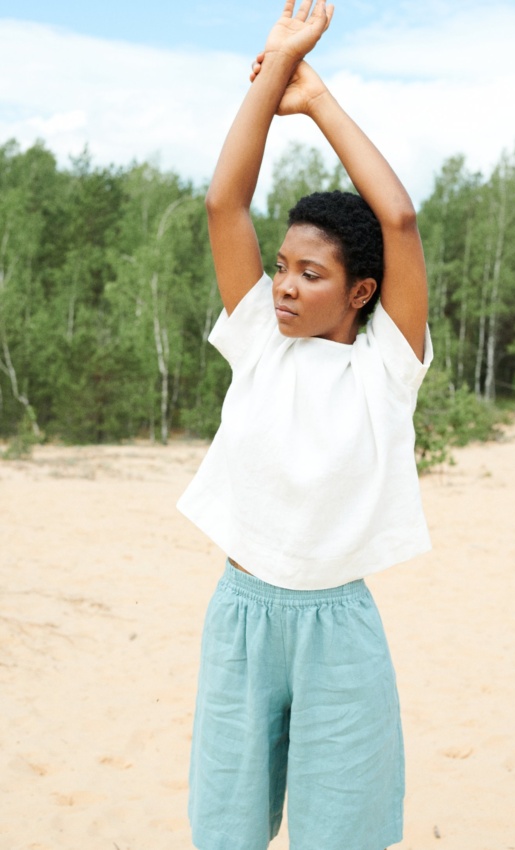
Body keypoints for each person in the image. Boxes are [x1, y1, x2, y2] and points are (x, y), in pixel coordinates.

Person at [177, 1, 432, 847]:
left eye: (310, 273)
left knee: (342, 833)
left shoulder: (384, 369)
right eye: (282, 267)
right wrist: (275, 65)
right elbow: (225, 200)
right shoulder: (260, 344)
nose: (284, 284)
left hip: (339, 628)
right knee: (227, 830)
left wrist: (319, 101)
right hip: (242, 615)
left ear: (360, 292)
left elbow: (397, 221)